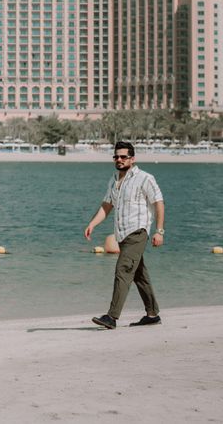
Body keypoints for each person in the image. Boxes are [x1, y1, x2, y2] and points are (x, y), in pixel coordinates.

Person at [84, 141, 165, 329]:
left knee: (122, 270)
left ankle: (112, 317)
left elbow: (159, 202)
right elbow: (107, 205)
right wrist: (92, 224)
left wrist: (159, 231)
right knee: (138, 274)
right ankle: (152, 314)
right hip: (122, 235)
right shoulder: (114, 179)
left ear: (132, 159)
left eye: (123, 157)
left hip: (137, 232)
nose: (119, 160)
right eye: (116, 156)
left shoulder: (145, 178)